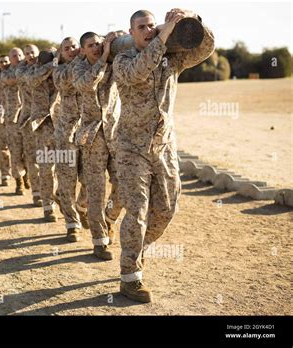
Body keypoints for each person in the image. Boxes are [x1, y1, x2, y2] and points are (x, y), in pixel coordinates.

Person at [112, 8, 215, 302]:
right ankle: (129, 278)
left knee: (167, 209)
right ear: (131, 32)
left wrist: (194, 19)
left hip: (164, 146)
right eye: (141, 27)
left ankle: (135, 247)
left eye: (151, 25)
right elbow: (139, 71)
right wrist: (165, 34)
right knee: (138, 211)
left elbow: (206, 48)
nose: (149, 30)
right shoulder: (123, 61)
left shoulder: (171, 60)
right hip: (132, 147)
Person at [72, 31, 123, 260]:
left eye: (99, 44)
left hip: (115, 135)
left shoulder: (113, 63)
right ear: (82, 49)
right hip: (92, 138)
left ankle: (109, 218)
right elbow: (89, 84)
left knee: (122, 185)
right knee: (96, 191)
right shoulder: (78, 69)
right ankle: (99, 242)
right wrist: (103, 58)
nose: (96, 48)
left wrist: (119, 40)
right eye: (91, 45)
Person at [52, 37, 89, 242]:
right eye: (67, 49)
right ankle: (71, 223)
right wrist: (81, 57)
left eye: (75, 46)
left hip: (87, 131)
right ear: (61, 53)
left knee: (89, 179)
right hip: (65, 134)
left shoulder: (87, 66)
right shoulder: (59, 71)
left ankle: (82, 205)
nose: (72, 50)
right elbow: (65, 80)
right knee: (67, 182)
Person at [26, 47, 60, 222]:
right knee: (46, 169)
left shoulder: (62, 69)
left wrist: (58, 64)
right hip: (43, 126)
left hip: (63, 126)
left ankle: (62, 198)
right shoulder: (32, 72)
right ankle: (48, 206)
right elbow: (32, 81)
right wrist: (50, 65)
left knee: (65, 168)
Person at [15, 45, 43, 206]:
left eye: (33, 52)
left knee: (49, 160)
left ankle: (50, 193)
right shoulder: (21, 70)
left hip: (48, 121)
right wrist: (51, 63)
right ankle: (37, 192)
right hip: (28, 121)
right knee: (33, 159)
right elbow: (34, 77)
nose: (30, 56)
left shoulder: (47, 65)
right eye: (27, 54)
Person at [0, 48, 27, 195]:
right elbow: (13, 80)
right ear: (10, 59)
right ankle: (19, 181)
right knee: (15, 152)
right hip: (12, 119)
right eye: (14, 56)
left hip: (28, 118)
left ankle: (27, 173)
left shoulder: (30, 69)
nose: (18, 58)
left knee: (29, 152)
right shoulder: (5, 73)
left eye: (20, 55)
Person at [0, 56, 12, 186]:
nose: (4, 64)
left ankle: (23, 174)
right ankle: (5, 174)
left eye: (6, 61)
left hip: (18, 114)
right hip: (1, 111)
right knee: (3, 146)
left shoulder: (18, 71)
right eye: (1, 62)